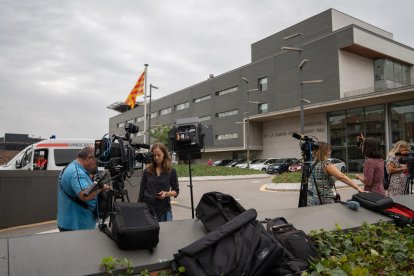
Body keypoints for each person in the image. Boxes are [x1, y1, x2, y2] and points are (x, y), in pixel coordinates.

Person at [57, 146, 109, 231]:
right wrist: (101, 188)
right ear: (88, 158)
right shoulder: (77, 172)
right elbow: (85, 195)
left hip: (69, 222)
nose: (97, 165)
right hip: (76, 226)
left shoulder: (71, 167)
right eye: (96, 161)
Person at [307, 142, 363, 206]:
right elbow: (341, 177)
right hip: (323, 199)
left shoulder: (312, 163)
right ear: (325, 151)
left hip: (311, 198)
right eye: (329, 149)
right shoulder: (326, 164)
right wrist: (358, 188)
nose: (330, 151)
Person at [138, 142, 179, 222]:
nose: (156, 158)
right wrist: (139, 209)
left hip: (164, 211)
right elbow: (141, 191)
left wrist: (166, 194)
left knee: (166, 234)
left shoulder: (171, 171)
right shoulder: (147, 171)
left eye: (159, 155)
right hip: (148, 211)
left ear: (164, 154)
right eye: (154, 155)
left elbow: (176, 191)